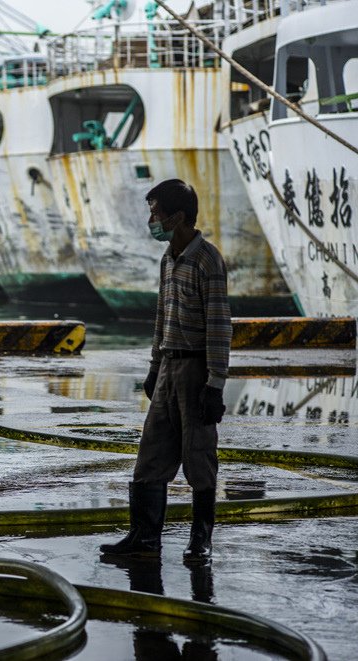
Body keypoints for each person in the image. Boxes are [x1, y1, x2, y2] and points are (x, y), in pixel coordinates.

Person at [100, 179, 231, 564]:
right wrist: (154, 367)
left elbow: (220, 326)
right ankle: (144, 537)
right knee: (151, 456)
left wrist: (215, 385)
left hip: (195, 369)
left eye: (156, 212)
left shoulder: (207, 259)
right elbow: (162, 320)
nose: (151, 219)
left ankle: (200, 539)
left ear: (178, 216)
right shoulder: (168, 259)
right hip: (169, 365)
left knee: (199, 456)